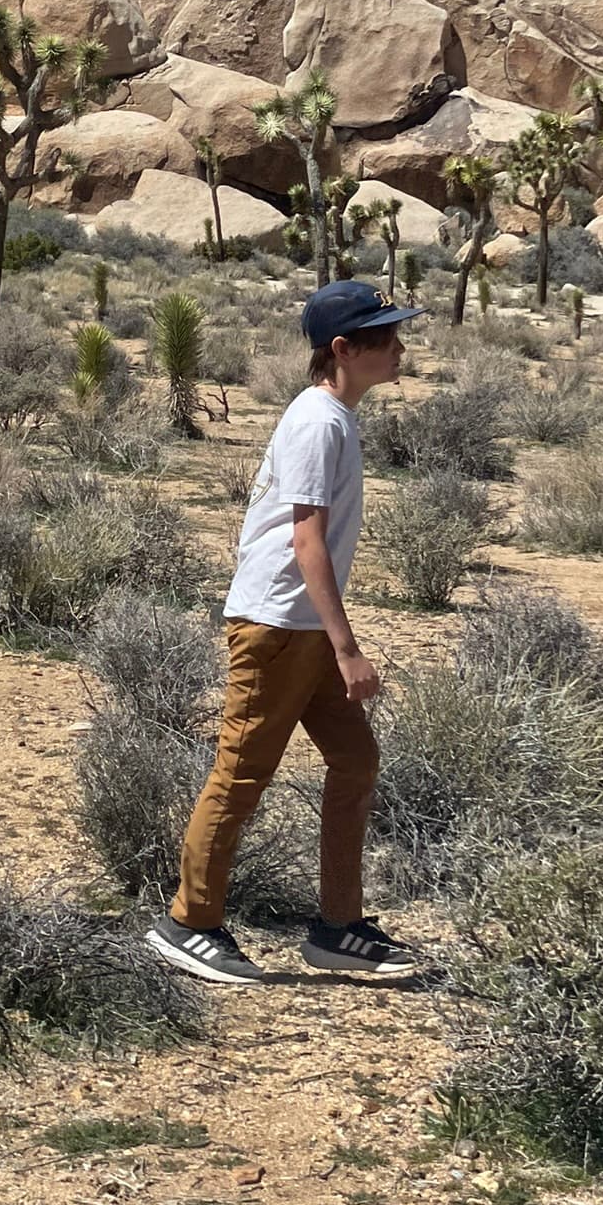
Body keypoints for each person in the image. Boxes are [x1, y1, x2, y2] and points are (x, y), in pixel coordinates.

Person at [146, 280, 424, 987]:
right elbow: (308, 542)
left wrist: (333, 641)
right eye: (385, 337)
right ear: (343, 349)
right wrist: (348, 647)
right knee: (240, 775)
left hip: (305, 629)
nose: (399, 348)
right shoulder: (318, 422)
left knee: (355, 759)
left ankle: (338, 926)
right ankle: (189, 922)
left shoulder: (334, 416)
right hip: (276, 628)